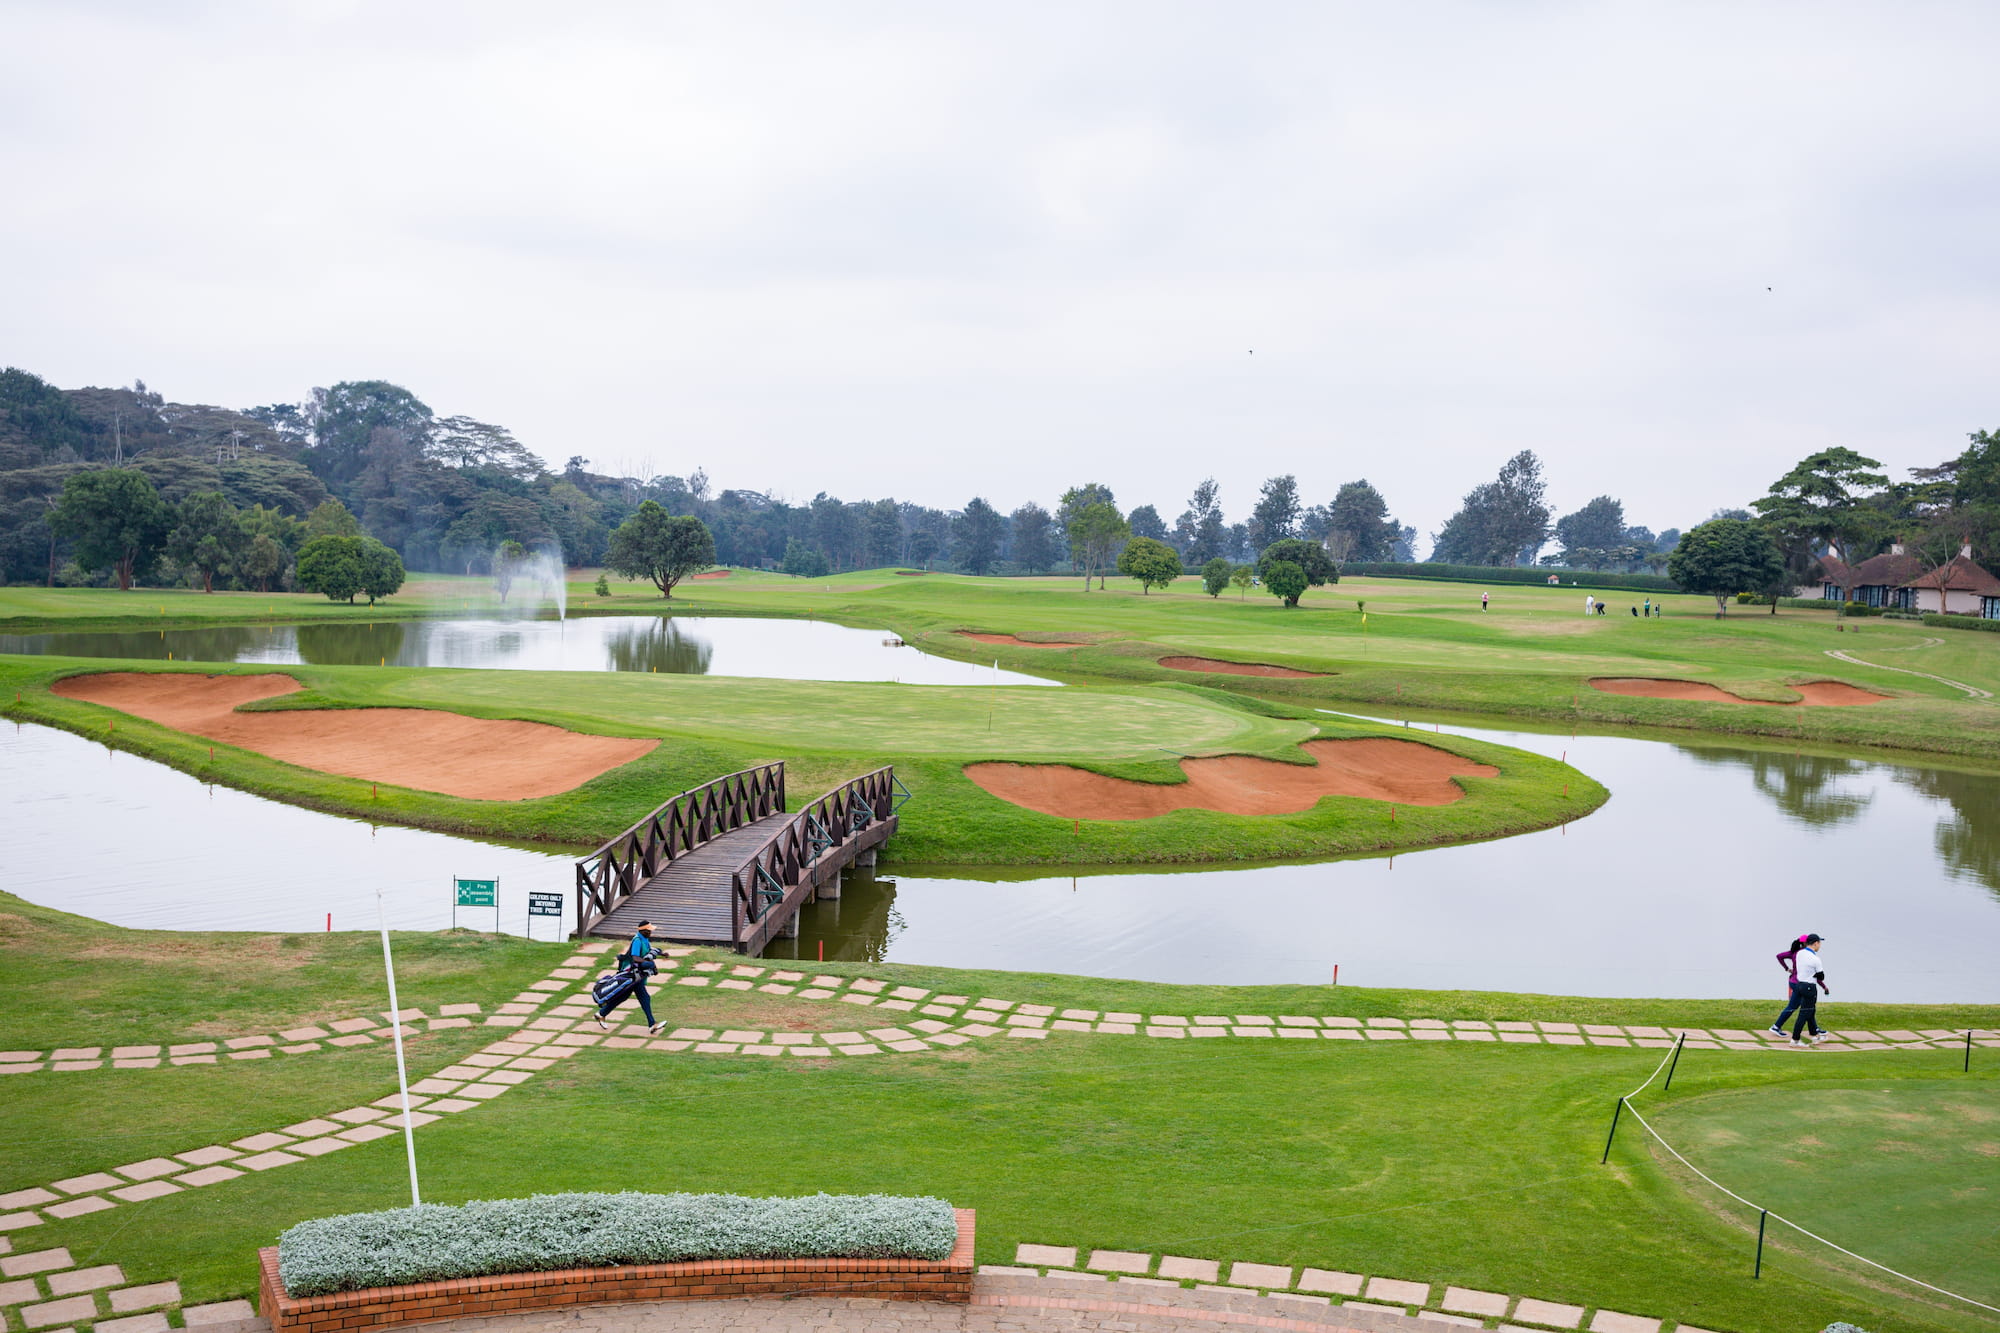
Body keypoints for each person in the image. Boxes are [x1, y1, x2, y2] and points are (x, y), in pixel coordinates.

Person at [595, 920, 666, 1034]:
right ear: (643, 931)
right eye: (649, 930)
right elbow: (635, 958)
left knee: (624, 996)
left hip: (637, 975)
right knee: (644, 998)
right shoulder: (637, 941)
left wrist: (661, 954)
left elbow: (649, 951)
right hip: (633, 974)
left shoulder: (645, 939)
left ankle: (601, 1013)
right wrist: (649, 964)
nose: (651, 932)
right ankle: (652, 1024)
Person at [1769, 933, 1830, 1045]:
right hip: (1808, 987)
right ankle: (1795, 1039)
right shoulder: (1815, 958)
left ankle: (1814, 1034)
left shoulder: (1798, 954)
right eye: (1819, 943)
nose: (1820, 945)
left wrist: (1787, 969)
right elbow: (1820, 976)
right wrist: (1824, 986)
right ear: (1815, 943)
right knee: (1804, 1012)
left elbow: (1780, 956)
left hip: (1798, 984)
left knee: (1808, 1010)